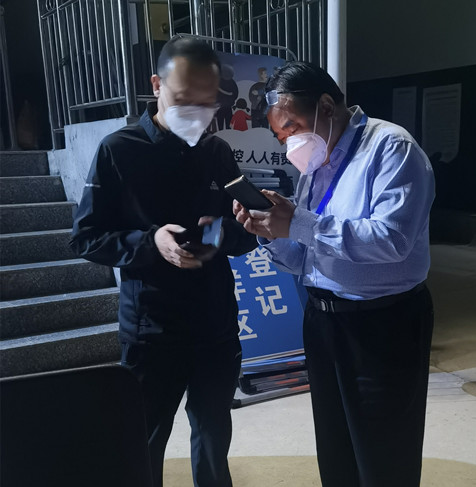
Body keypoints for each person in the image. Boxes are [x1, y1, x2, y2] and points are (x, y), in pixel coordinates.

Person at [233, 61, 435, 487]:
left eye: (292, 126)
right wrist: (271, 233)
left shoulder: (391, 148)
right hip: (323, 323)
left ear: (326, 106)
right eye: (280, 135)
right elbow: (307, 256)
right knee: (336, 447)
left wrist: (300, 223)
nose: (289, 141)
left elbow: (393, 239)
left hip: (382, 323)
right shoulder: (315, 165)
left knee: (384, 454)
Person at [70, 35, 257, 487]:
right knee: (145, 440)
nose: (196, 113)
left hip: (214, 324)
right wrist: (151, 241)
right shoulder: (119, 150)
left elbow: (248, 229)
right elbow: (86, 237)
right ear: (156, 85)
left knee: (213, 435)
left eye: (207, 103)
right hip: (152, 329)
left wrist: (219, 235)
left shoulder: (217, 152)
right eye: (183, 99)